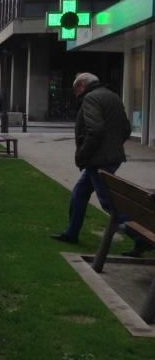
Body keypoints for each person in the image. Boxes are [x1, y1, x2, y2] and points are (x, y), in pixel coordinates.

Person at [52, 72, 132, 244]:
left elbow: (95, 130)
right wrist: (113, 146)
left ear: (82, 85)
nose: (75, 94)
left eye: (75, 89)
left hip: (98, 160)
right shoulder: (113, 96)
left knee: (108, 202)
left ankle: (141, 235)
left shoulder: (90, 98)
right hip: (110, 157)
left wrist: (82, 155)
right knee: (80, 193)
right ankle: (71, 233)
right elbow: (126, 129)